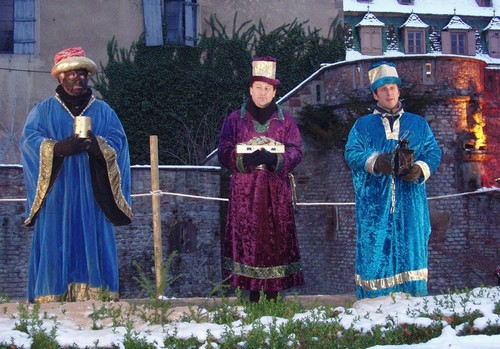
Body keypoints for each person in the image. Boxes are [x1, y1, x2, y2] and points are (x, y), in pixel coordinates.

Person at [20, 47, 132, 303]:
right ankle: (51, 297)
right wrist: (58, 148)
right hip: (57, 194)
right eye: (72, 74)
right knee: (53, 241)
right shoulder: (44, 110)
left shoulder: (103, 111)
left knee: (93, 236)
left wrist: (98, 147)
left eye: (83, 73)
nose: (79, 78)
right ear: (61, 78)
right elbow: (29, 141)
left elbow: (119, 143)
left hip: (93, 195)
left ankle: (97, 295)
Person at [345, 61, 442, 299]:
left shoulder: (417, 123)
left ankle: (414, 304)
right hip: (375, 206)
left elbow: (434, 152)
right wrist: (376, 161)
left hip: (411, 202)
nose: (389, 92)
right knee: (374, 251)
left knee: (412, 250)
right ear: (375, 94)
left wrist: (419, 169)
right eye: (383, 88)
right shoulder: (362, 126)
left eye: (392, 87)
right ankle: (374, 308)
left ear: (399, 91)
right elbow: (352, 153)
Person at [218, 56, 304, 302]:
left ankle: (275, 294)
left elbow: (297, 151)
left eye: (268, 88)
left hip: (276, 193)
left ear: (275, 91)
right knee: (248, 240)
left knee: (275, 240)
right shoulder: (235, 120)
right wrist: (243, 159)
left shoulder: (285, 121)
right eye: (258, 87)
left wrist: (276, 159)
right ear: (250, 89)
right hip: (245, 193)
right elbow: (223, 150)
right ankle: (251, 293)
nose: (263, 93)